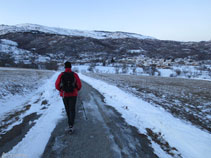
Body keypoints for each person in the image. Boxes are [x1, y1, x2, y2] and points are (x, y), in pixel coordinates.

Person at [55, 61, 82, 134]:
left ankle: (69, 122)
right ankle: (71, 125)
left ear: (65, 67)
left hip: (64, 94)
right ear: (70, 67)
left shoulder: (61, 74)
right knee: (72, 109)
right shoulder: (75, 74)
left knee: (67, 109)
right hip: (73, 94)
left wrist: (61, 90)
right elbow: (79, 85)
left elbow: (57, 85)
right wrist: (76, 90)